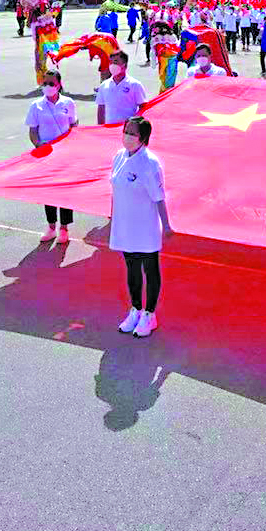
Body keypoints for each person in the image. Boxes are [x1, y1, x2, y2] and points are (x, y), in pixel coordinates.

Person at [110, 115, 172, 337]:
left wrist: (166, 225)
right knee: (132, 267)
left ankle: (149, 314)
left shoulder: (150, 163)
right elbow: (115, 190)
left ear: (143, 138)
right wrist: (113, 217)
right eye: (125, 131)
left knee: (150, 268)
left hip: (145, 226)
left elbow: (159, 197)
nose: (127, 136)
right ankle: (135, 309)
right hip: (124, 224)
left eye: (132, 133)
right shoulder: (119, 157)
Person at [26, 70, 78, 242]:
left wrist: (73, 144)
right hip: (46, 154)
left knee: (65, 189)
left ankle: (64, 228)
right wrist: (38, 145)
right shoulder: (36, 106)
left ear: (59, 84)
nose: (48, 86)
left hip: (65, 154)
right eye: (45, 83)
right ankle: (51, 226)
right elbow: (33, 131)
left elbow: (74, 124)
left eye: (51, 83)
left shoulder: (68, 103)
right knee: (48, 190)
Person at [95, 49, 148, 127]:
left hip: (128, 129)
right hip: (109, 128)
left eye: (116, 62)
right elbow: (101, 108)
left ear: (124, 65)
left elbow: (143, 107)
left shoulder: (135, 85)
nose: (112, 65)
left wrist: (135, 124)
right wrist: (100, 128)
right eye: (110, 62)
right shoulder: (104, 85)